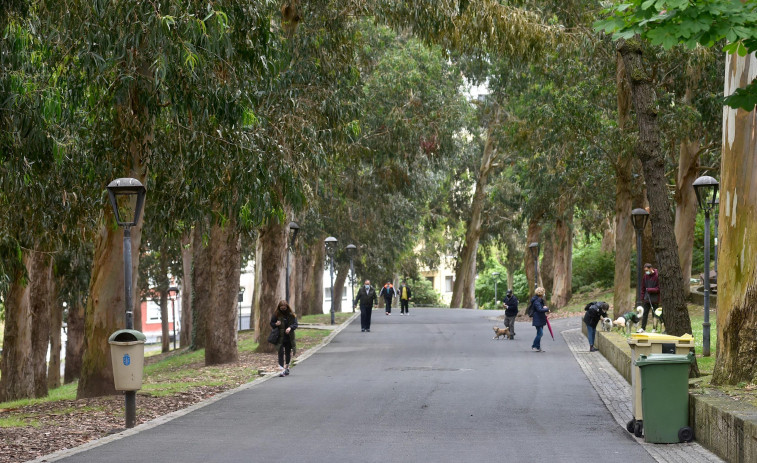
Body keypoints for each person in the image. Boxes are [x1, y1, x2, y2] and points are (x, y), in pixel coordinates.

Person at [270, 300, 298, 377]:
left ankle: (287, 366)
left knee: (288, 352)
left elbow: (295, 324)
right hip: (279, 337)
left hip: (289, 337)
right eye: (281, 308)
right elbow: (271, 323)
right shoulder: (276, 314)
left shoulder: (291, 315)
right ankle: (282, 369)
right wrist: (276, 324)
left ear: (287, 307)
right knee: (280, 353)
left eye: (284, 308)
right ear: (279, 308)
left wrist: (290, 328)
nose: (283, 310)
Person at [640, 263, 660, 332]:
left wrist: (650, 290)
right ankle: (643, 328)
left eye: (647, 270)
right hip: (647, 298)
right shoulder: (645, 276)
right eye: (645, 271)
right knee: (645, 313)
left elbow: (658, 288)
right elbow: (643, 287)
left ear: (651, 268)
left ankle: (654, 328)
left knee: (655, 314)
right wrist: (642, 296)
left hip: (655, 299)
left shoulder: (657, 276)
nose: (646, 272)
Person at [530, 287, 549, 352]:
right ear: (541, 293)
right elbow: (539, 309)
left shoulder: (540, 300)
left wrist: (544, 307)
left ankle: (538, 347)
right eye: (544, 292)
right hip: (537, 318)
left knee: (539, 333)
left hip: (540, 318)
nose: (544, 293)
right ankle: (534, 346)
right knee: (540, 333)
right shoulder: (537, 301)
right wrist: (547, 309)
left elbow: (540, 308)